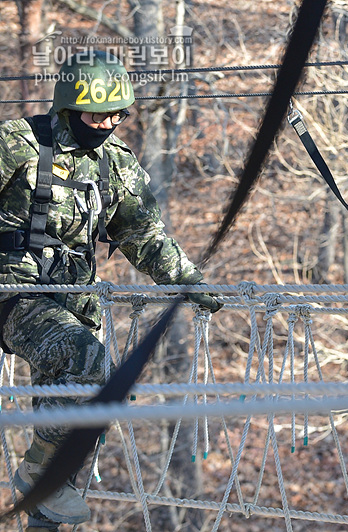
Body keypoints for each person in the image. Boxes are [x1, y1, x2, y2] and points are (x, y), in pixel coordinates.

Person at [0, 50, 221, 531]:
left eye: (116, 115)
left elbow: (143, 234)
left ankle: (47, 504)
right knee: (89, 362)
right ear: (67, 107)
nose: (106, 125)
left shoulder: (115, 166)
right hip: (14, 292)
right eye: (95, 114)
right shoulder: (16, 146)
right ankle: (40, 470)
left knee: (88, 411)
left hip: (75, 300)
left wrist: (190, 282)